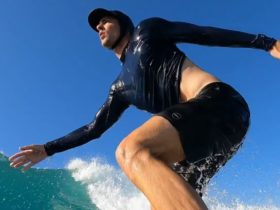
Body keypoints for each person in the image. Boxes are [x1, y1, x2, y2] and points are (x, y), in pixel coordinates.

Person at [9, 8, 280, 210]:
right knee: (160, 200)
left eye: (105, 21)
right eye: (96, 27)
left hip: (221, 104)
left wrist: (265, 42)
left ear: (122, 22)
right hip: (211, 136)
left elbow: (201, 33)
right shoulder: (120, 88)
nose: (100, 27)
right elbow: (94, 128)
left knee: (131, 150)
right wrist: (48, 148)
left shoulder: (148, 31)